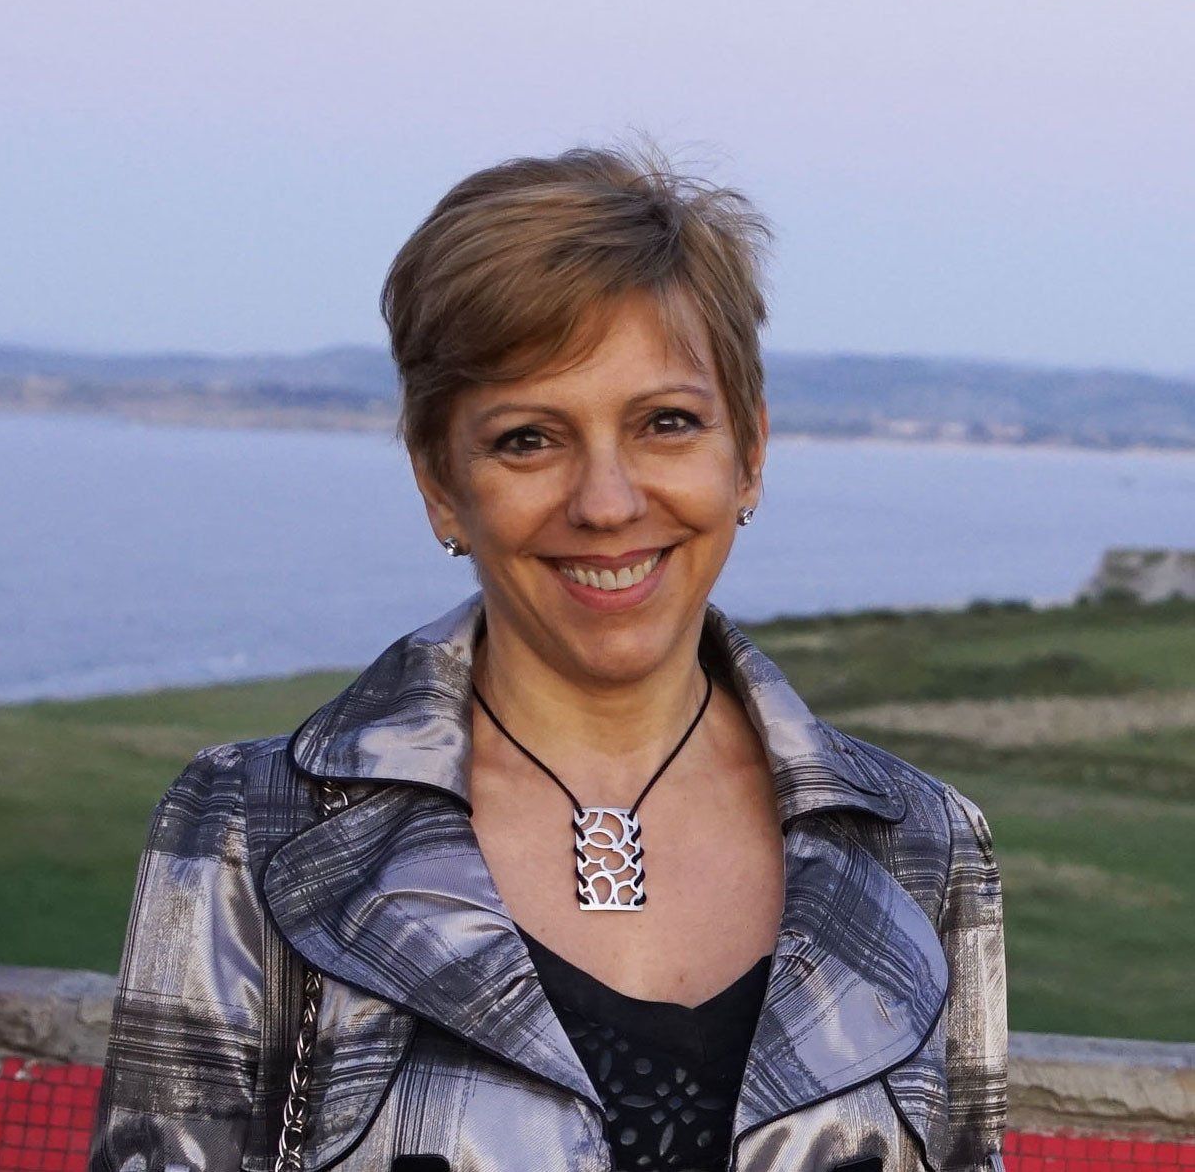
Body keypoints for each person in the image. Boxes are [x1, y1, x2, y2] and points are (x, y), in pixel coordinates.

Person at [89, 146, 1007, 1172]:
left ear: (747, 453)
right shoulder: (251, 828)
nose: (606, 502)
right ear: (441, 483)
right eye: (529, 438)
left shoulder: (922, 844)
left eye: (666, 423)